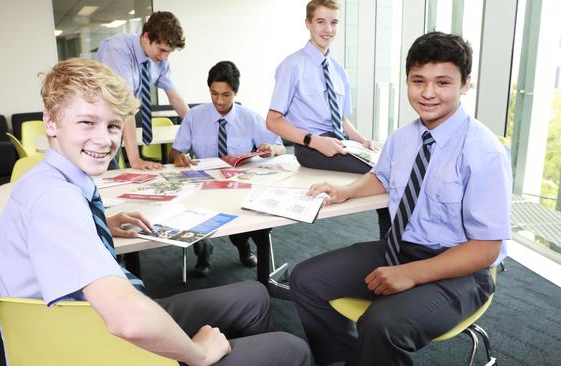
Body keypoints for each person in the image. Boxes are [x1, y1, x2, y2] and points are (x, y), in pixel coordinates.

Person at [0, 59, 311, 366]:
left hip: (85, 321)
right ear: (50, 122)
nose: (104, 140)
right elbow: (127, 322)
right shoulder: (55, 199)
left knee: (254, 296)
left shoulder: (49, 180)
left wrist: (98, 222)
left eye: (114, 125)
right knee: (291, 347)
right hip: (90, 344)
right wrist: (197, 353)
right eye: (87, 122)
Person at [289, 32, 512, 366]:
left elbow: (486, 248)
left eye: (443, 82)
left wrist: (413, 274)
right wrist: (347, 191)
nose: (428, 93)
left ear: (466, 84)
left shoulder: (484, 152)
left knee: (382, 325)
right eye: (418, 80)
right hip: (400, 250)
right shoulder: (403, 137)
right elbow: (383, 176)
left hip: (461, 270)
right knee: (304, 280)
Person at [266, 0, 389, 238]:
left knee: (387, 163)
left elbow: (341, 119)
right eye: (321, 22)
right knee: (381, 173)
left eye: (333, 22)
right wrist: (315, 141)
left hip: (339, 142)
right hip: (312, 147)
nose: (328, 29)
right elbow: (273, 121)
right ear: (308, 24)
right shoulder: (292, 65)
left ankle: (390, 240)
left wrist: (363, 140)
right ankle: (391, 244)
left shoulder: (337, 69)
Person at [170, 61, 285, 278]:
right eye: (214, 94)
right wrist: (179, 157)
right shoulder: (195, 116)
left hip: (238, 185)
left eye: (226, 95)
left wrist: (272, 148)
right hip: (203, 186)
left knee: (253, 213)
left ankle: (242, 243)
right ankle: (204, 252)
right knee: (192, 213)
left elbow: (280, 148)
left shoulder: (249, 118)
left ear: (236, 92)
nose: (219, 101)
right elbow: (175, 152)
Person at [96, 11, 189, 170]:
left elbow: (175, 97)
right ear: (146, 37)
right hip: (98, 121)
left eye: (169, 52)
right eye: (161, 50)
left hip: (120, 119)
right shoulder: (118, 49)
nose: (165, 57)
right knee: (104, 173)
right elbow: (125, 102)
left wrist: (199, 126)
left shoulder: (159, 60)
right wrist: (135, 159)